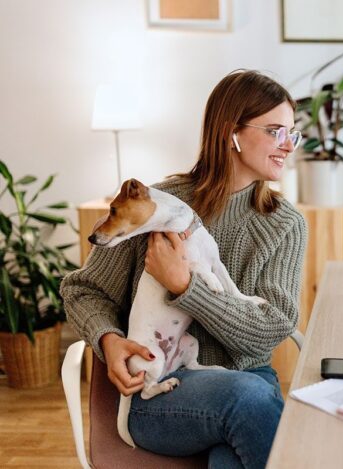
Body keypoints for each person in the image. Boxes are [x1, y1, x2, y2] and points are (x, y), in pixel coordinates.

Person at [61, 70, 308, 469]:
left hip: (248, 384)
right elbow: (81, 290)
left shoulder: (284, 223)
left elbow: (269, 329)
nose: (288, 146)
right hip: (163, 392)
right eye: (276, 131)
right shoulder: (157, 207)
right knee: (250, 401)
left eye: (292, 134)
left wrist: (186, 286)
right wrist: (108, 339)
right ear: (232, 132)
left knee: (236, 440)